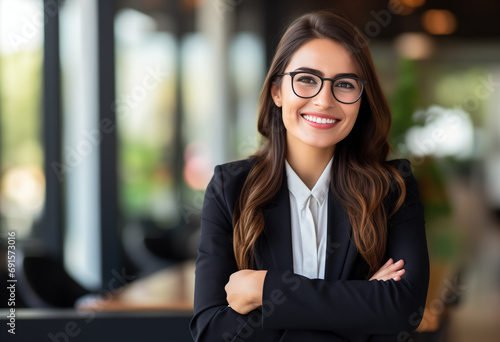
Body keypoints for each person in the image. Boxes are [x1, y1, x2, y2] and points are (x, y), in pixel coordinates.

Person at [190, 10, 429, 342]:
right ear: (277, 91)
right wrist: (359, 299)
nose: (323, 100)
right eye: (306, 79)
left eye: (344, 84)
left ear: (362, 99)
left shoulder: (393, 187)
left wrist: (266, 290)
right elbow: (212, 332)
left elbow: (405, 311)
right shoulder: (230, 188)